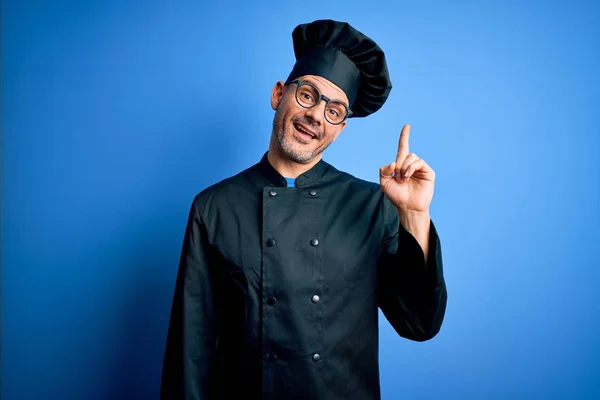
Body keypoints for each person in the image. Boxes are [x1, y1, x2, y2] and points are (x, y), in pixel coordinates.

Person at [160, 19, 447, 400]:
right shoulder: (215, 207)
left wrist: (414, 214)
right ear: (279, 94)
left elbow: (419, 324)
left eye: (334, 111)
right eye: (308, 95)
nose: (316, 115)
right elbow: (190, 350)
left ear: (340, 128)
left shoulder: (372, 205)